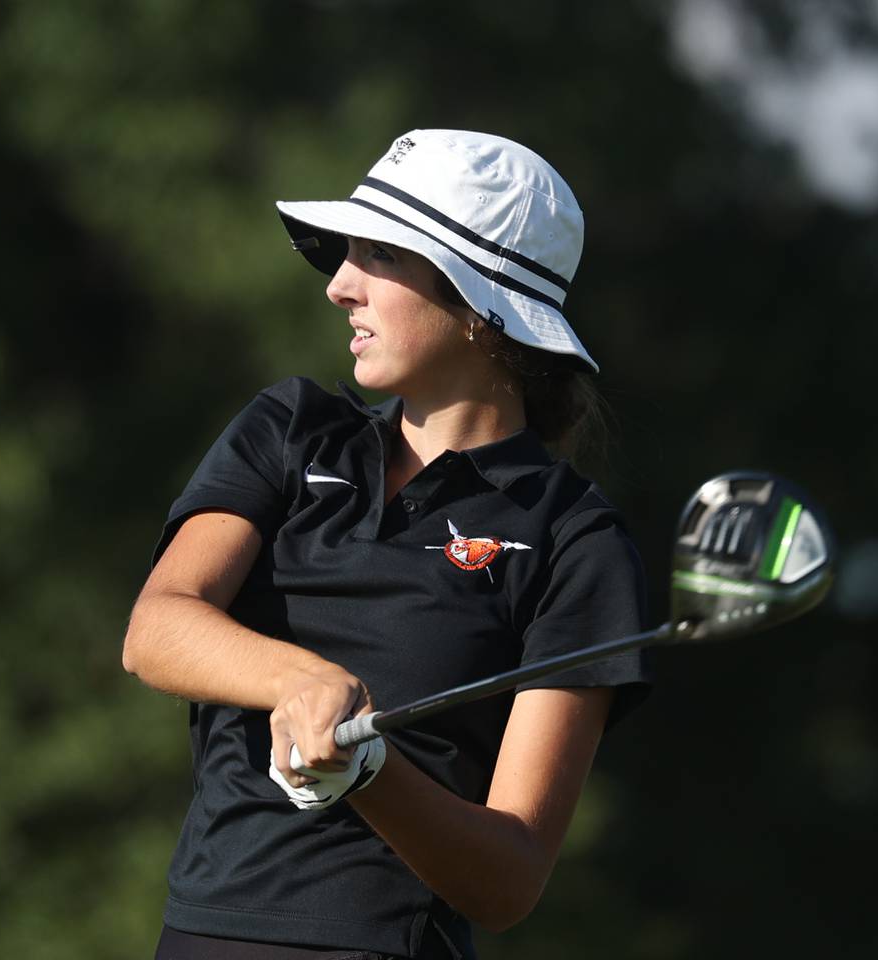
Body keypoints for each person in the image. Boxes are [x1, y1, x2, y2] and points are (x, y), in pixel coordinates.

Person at [122, 129, 650, 960]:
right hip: (199, 939)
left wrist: (368, 771)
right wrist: (307, 681)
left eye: (381, 256)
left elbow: (509, 880)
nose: (339, 287)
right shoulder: (291, 432)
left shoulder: (575, 542)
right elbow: (155, 631)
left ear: (481, 303)